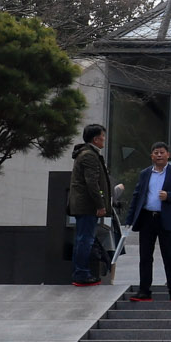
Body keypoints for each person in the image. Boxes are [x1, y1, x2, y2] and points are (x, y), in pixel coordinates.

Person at [123, 141, 171, 301]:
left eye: (162, 152)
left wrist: (169, 196)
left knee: (169, 255)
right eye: (156, 153)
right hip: (147, 218)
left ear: (168, 155)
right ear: (151, 155)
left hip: (165, 218)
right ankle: (144, 291)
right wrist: (130, 218)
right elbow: (137, 195)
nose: (159, 155)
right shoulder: (145, 173)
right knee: (145, 256)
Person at [67, 122, 111, 286]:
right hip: (86, 206)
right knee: (85, 239)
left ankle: (81, 272)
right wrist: (100, 205)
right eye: (102, 136)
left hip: (84, 205)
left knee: (83, 239)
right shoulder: (89, 155)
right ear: (96, 138)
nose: (104, 139)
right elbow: (92, 183)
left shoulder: (87, 154)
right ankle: (81, 273)